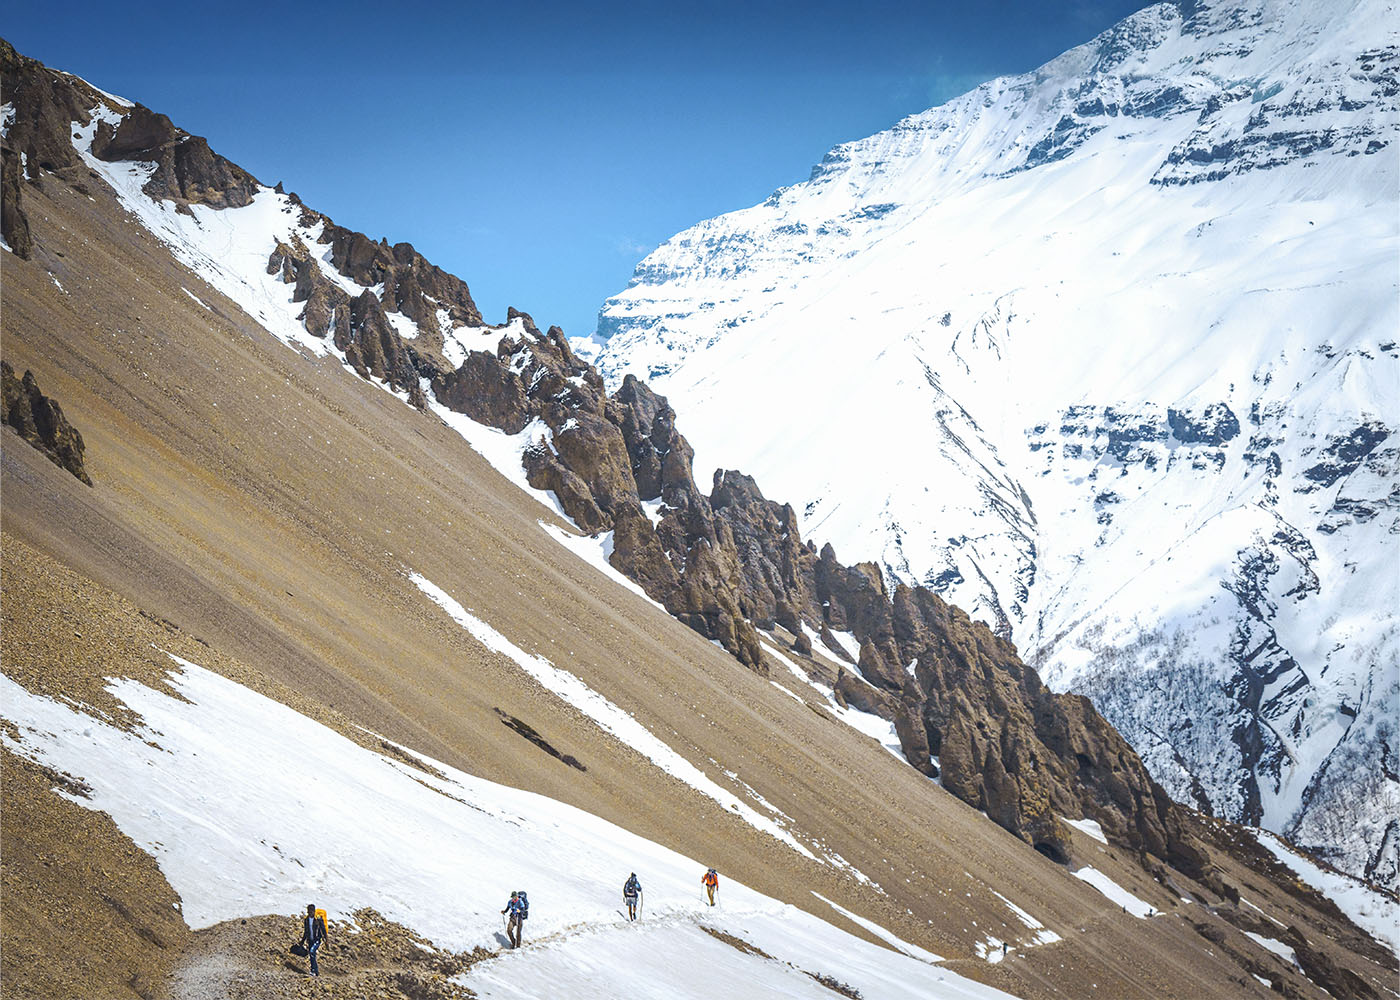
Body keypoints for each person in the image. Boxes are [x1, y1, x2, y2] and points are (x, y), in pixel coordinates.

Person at [296, 903, 326, 977]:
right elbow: (306, 931)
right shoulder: (306, 920)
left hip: (317, 939)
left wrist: (326, 940)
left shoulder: (318, 919)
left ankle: (313, 970)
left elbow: (323, 929)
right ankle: (316, 971)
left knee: (312, 952)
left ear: (314, 911)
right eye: (308, 911)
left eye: (311, 911)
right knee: (312, 954)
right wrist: (302, 941)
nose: (309, 912)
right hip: (310, 940)